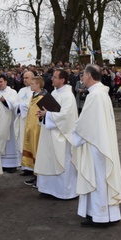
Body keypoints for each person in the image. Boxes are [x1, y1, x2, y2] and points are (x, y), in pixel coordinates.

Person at [72, 64, 121, 226]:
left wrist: (72, 134)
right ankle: (105, 214)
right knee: (100, 178)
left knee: (97, 178)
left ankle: (100, 216)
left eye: (83, 75)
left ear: (89, 76)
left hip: (96, 144)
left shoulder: (95, 96)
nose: (82, 78)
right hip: (101, 141)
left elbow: (85, 124)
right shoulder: (102, 94)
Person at [34, 69, 79, 199]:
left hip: (62, 136)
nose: (52, 79)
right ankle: (48, 189)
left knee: (62, 161)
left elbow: (66, 116)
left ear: (62, 80)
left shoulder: (68, 96)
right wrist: (42, 115)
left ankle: (64, 192)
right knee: (48, 159)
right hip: (50, 133)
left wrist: (47, 114)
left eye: (54, 77)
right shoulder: (54, 92)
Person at [0, 74, 21, 172]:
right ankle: (1, 164)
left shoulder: (12, 92)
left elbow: (13, 104)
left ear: (5, 82)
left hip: (9, 123)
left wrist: (4, 101)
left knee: (10, 142)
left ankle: (11, 165)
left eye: (1, 82)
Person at [21, 76, 46, 182]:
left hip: (37, 127)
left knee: (36, 148)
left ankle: (37, 175)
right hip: (30, 126)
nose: (30, 85)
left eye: (32, 84)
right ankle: (32, 171)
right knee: (31, 147)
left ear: (38, 85)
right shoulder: (33, 96)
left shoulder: (42, 97)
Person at [15, 70, 35, 175]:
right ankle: (24, 166)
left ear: (32, 78)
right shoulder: (21, 90)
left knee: (29, 142)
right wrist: (18, 106)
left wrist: (21, 105)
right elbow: (16, 103)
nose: (24, 80)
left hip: (29, 120)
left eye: (27, 78)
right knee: (21, 142)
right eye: (24, 78)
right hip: (21, 119)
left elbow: (32, 105)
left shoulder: (34, 90)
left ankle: (31, 167)